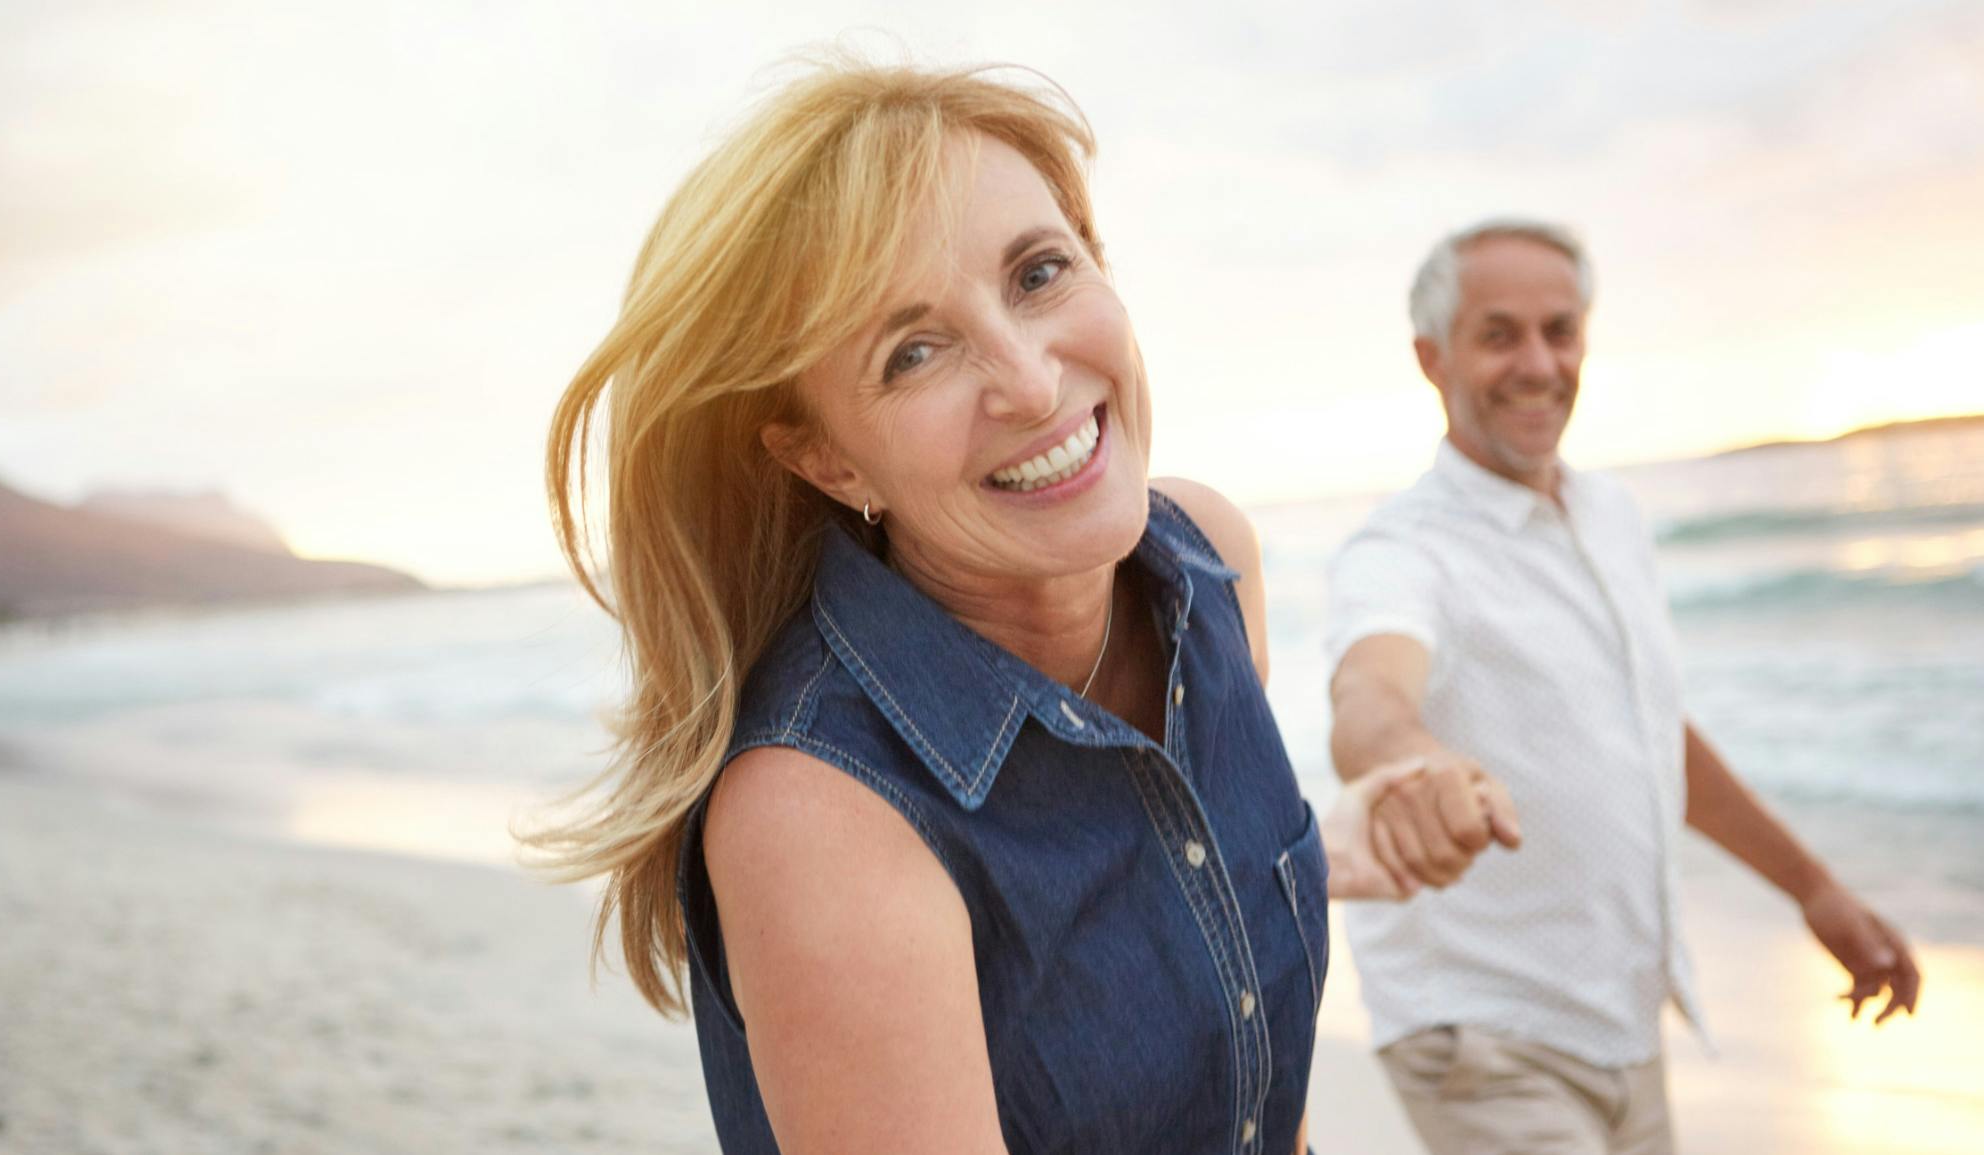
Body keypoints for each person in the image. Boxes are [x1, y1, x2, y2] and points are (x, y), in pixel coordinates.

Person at [531, 62, 1515, 1154]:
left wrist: (1311, 849)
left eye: (1040, 273)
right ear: (818, 453)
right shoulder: (819, 812)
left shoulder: (1208, 566)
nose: (1033, 383)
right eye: (912, 352)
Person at [1325, 217, 1924, 1155]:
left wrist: (1812, 886)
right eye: (1499, 334)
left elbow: (1649, 732)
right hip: (1480, 1035)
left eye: (1560, 331)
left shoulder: (1611, 515)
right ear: (1431, 358)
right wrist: (1417, 768)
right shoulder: (1401, 551)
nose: (1538, 362)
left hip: (1623, 1023)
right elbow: (1369, 696)